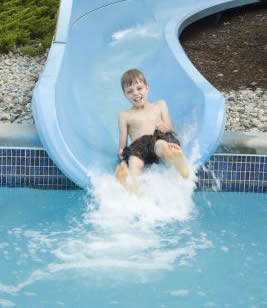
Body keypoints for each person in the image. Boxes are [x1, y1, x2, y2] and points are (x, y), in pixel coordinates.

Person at [115, 69, 189, 193]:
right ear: (125, 95)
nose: (135, 93)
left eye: (139, 88)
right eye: (130, 91)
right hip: (139, 146)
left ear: (147, 87)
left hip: (157, 138)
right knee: (134, 160)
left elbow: (169, 127)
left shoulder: (160, 105)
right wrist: (122, 157)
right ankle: (133, 185)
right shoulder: (124, 115)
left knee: (161, 145)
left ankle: (177, 162)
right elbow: (122, 144)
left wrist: (165, 127)